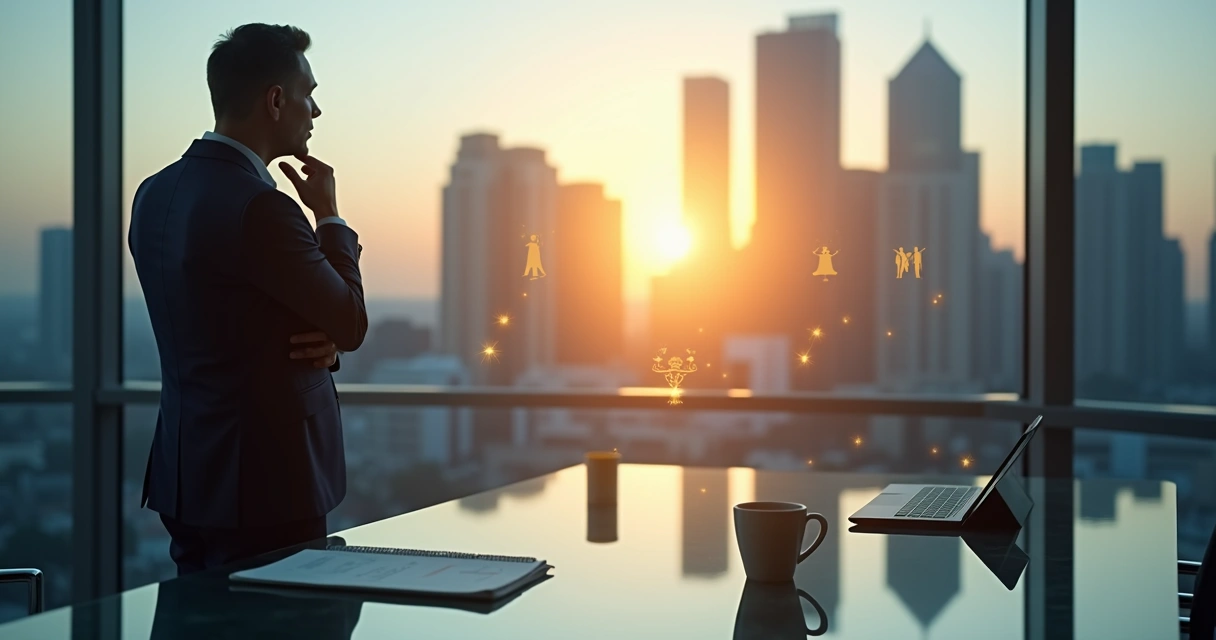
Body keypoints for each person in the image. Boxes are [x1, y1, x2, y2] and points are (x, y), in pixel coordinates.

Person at [128, 23, 367, 575]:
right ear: (277, 100)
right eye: (309, 94)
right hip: (268, 481)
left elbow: (221, 319)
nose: (317, 111)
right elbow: (351, 322)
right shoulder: (262, 207)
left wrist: (320, 342)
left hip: (187, 472)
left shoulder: (154, 192)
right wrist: (329, 216)